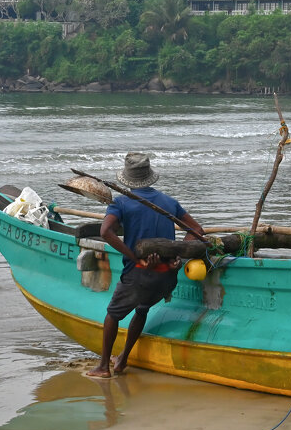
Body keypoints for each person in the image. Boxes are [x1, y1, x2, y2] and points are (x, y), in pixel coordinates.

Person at [85, 152, 203, 379]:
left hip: (139, 275)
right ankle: (122, 360)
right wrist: (177, 253)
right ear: (149, 177)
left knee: (112, 315)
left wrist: (133, 257)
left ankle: (103, 367)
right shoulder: (169, 202)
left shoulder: (120, 202)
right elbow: (197, 230)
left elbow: (105, 232)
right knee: (142, 309)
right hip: (167, 277)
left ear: (127, 179)